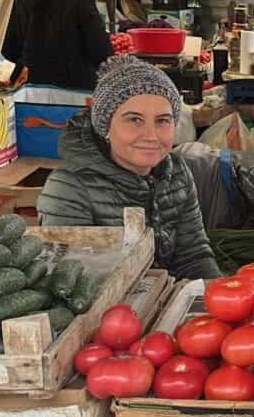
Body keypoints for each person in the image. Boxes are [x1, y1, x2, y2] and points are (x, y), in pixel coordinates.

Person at [37, 55, 221, 280]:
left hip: (161, 299)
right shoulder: (68, 189)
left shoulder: (178, 173)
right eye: (135, 120)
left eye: (162, 120)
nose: (151, 136)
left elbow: (193, 255)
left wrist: (215, 297)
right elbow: (69, 283)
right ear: (105, 126)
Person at [2, 0, 112, 91]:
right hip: (77, 88)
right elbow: (100, 51)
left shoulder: (21, 2)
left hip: (31, 89)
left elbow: (9, 49)